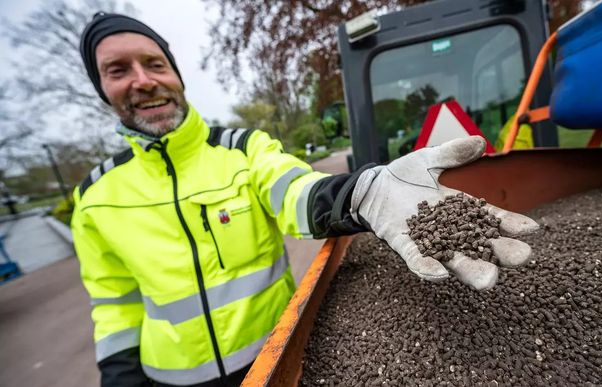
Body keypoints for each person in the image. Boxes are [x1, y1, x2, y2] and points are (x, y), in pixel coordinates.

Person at [73, 12, 539, 387]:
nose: (143, 80)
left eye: (155, 64)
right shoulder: (94, 195)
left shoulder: (241, 148)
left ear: (174, 73)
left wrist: (363, 192)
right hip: (169, 379)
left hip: (278, 356)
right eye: (118, 70)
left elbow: (295, 190)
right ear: (102, 90)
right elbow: (114, 302)